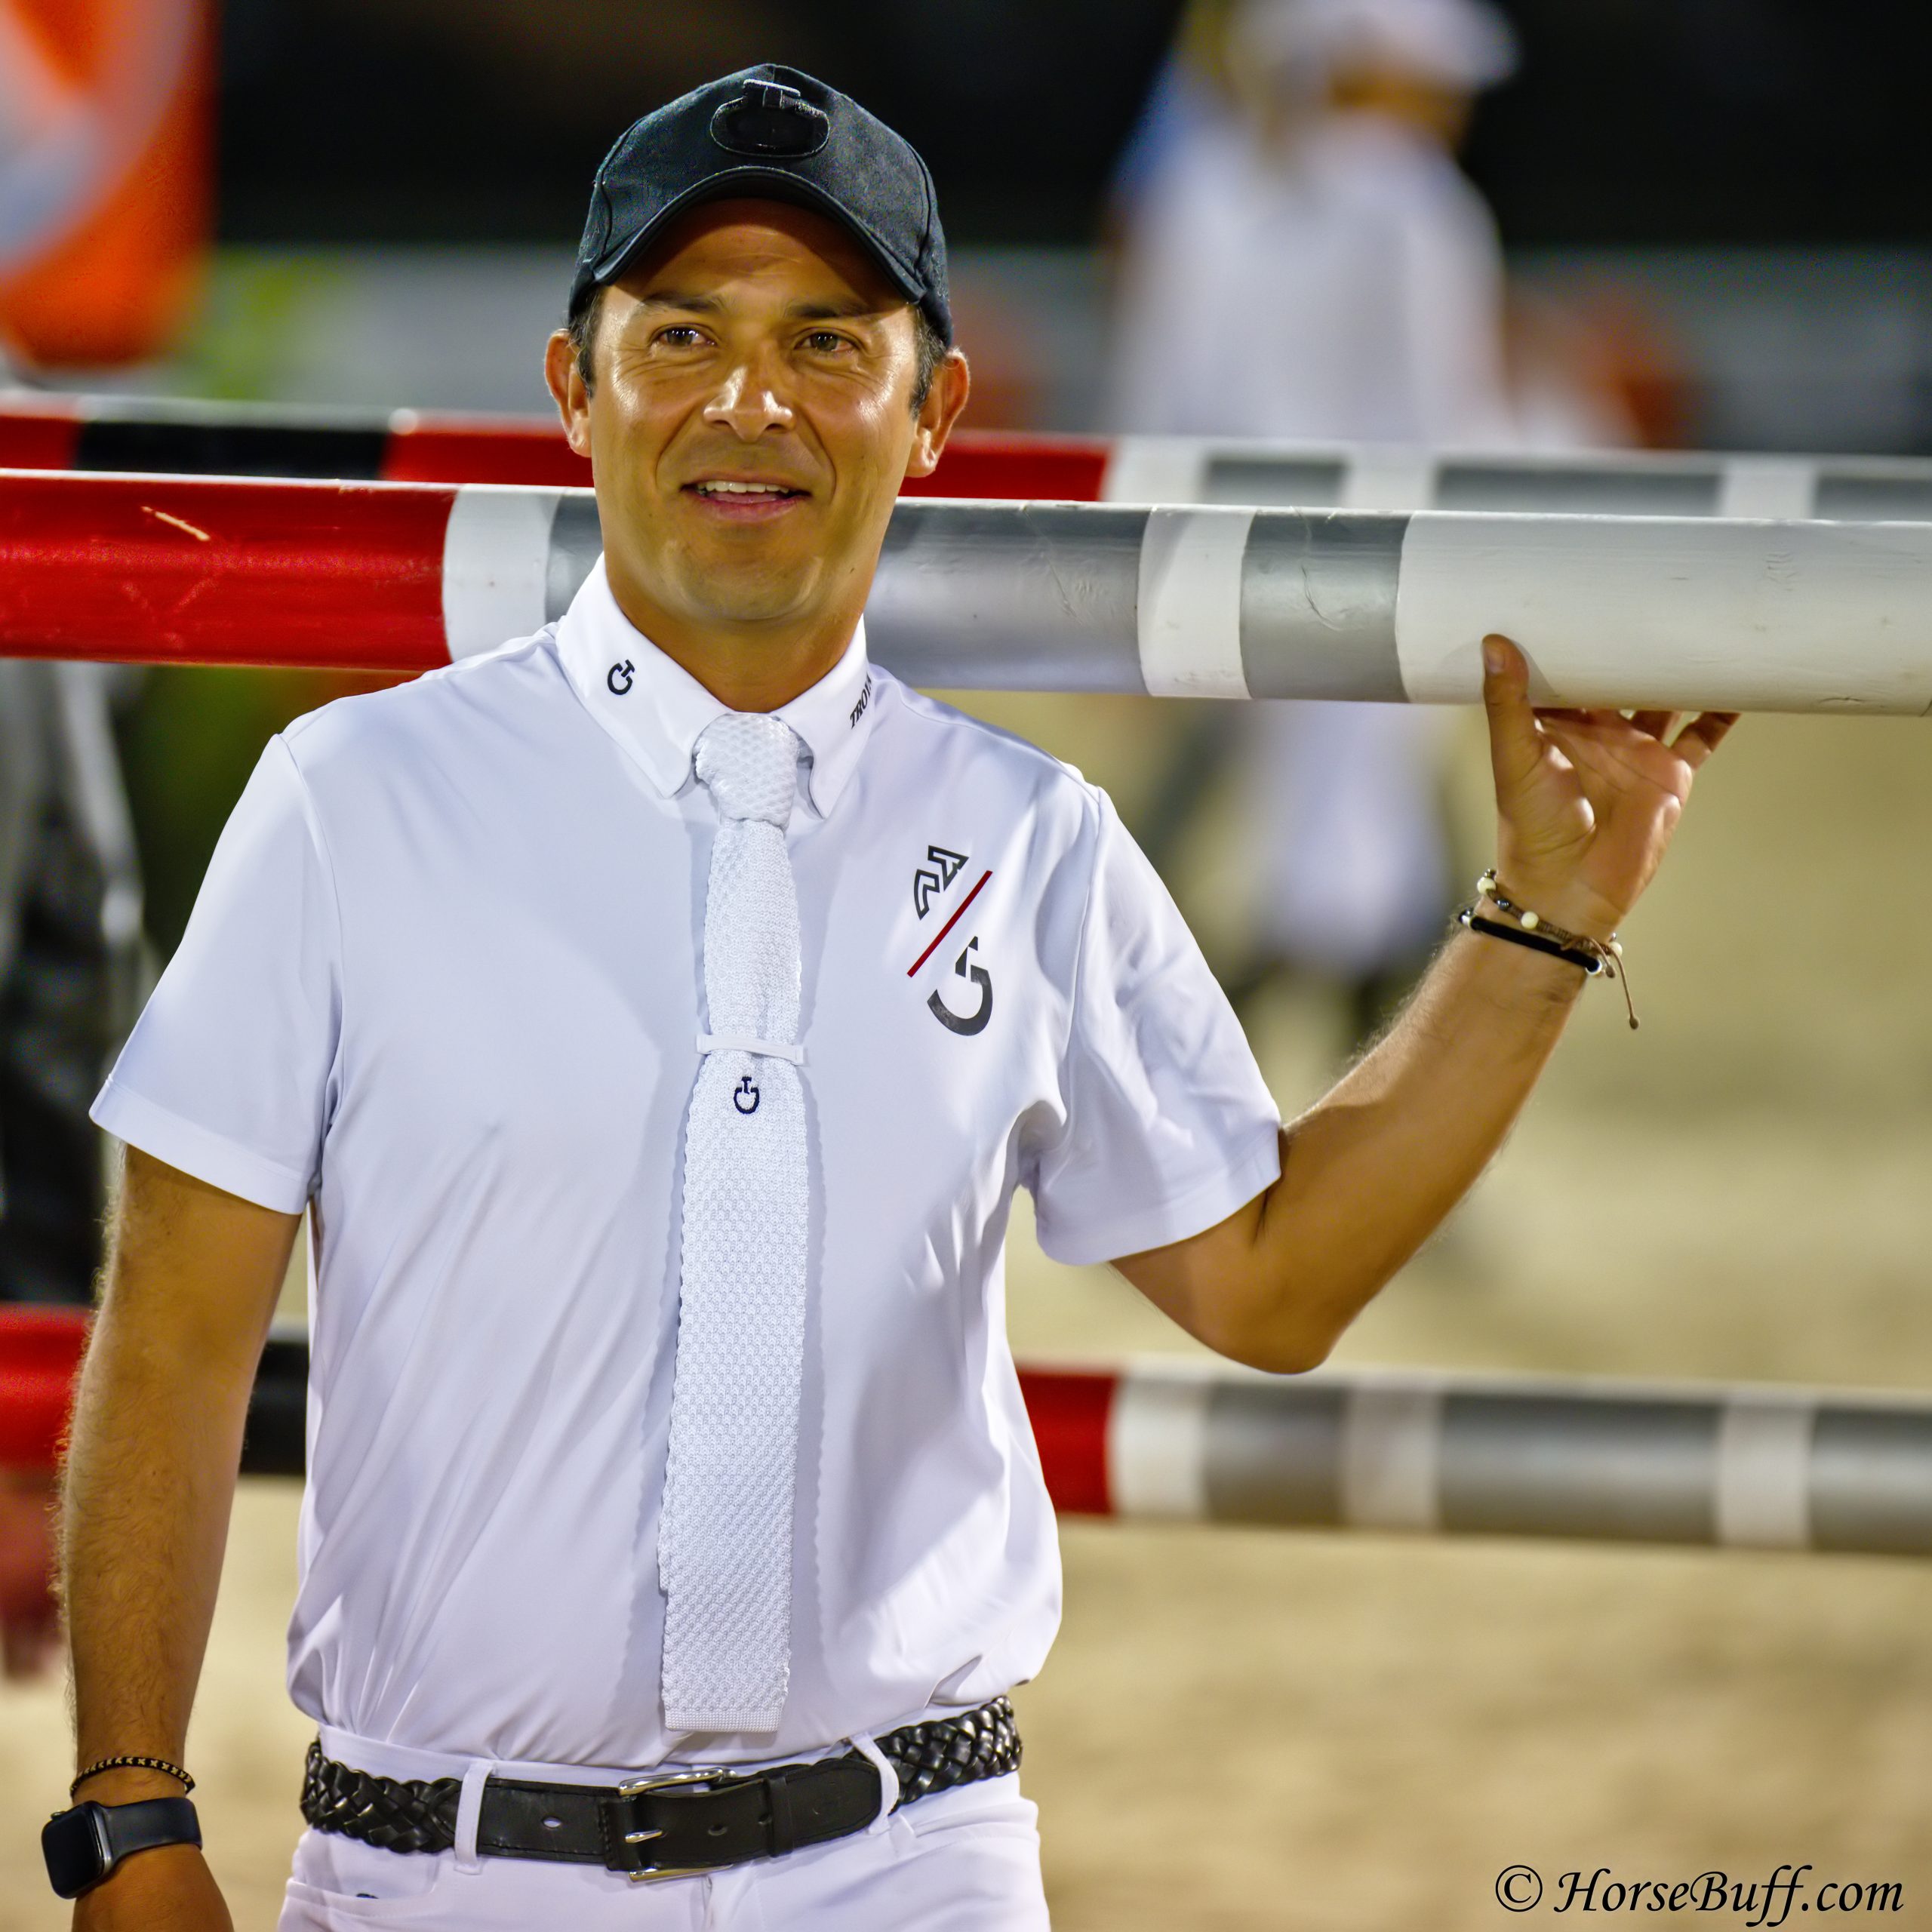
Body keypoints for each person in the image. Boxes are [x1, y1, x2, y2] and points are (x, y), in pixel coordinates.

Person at [49, 63, 1730, 1930]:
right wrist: (130, 1819)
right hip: (439, 1876)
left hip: (909, 1869)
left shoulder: (1030, 838)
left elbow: (1266, 1278)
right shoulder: (352, 804)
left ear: (930, 410)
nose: (747, 401)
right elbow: (177, 1340)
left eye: (824, 339)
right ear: (573, 387)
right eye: (679, 333)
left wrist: (1543, 920)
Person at [1112, 0, 1523, 1039]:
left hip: (1249, 565)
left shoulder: (1231, 196)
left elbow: (1178, 393)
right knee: (1356, 867)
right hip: (1391, 573)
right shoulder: (1413, 204)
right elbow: (1452, 416)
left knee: (1331, 850)